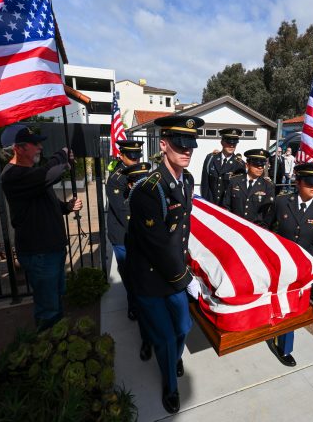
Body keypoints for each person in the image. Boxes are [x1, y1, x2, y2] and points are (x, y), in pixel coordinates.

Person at [126, 115, 204, 414]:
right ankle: (170, 387)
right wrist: (186, 279)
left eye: (190, 146)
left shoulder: (186, 180)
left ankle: (168, 354)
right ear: (163, 145)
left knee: (183, 326)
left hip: (173, 269)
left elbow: (181, 230)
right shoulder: (148, 189)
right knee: (167, 337)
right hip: (151, 276)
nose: (187, 151)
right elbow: (156, 245)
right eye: (180, 145)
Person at [0, 124, 82, 330]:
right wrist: (62, 155)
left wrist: (66, 207)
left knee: (55, 298)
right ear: (18, 148)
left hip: (50, 250)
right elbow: (48, 174)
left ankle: (58, 337)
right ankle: (49, 346)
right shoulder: (12, 175)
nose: (39, 147)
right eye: (34, 144)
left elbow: (45, 202)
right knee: (49, 309)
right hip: (40, 253)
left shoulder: (29, 173)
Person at [268, 162, 313, 366]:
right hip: (278, 263)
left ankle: (284, 348)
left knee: (292, 309)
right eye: (309, 183)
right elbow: (268, 229)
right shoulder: (281, 202)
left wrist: (297, 264)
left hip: (303, 268)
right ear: (298, 182)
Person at [105, 139, 144, 321]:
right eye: (131, 156)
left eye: (137, 156)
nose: (135, 160)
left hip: (138, 230)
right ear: (121, 155)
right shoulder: (116, 179)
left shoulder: (140, 174)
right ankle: (133, 305)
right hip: (123, 233)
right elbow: (123, 212)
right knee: (128, 272)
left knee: (139, 271)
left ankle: (141, 299)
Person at [122, 162, 154, 361]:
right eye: (136, 181)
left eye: (144, 180)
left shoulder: (158, 199)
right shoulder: (126, 204)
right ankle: (146, 341)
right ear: (129, 185)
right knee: (143, 305)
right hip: (139, 262)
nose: (141, 184)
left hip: (157, 263)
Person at [222, 148, 275, 228]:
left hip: (256, 229)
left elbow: (268, 214)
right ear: (247, 165)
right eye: (256, 165)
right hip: (234, 226)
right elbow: (226, 205)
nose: (260, 168)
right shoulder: (235, 181)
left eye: (262, 165)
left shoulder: (268, 186)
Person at [200, 128, 245, 205]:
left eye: (234, 143)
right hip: (211, 204)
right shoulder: (210, 158)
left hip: (227, 208)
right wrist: (206, 204)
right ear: (222, 142)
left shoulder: (239, 164)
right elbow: (205, 184)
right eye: (229, 142)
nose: (231, 145)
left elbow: (238, 192)